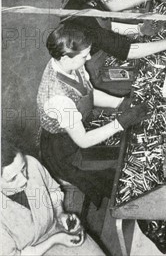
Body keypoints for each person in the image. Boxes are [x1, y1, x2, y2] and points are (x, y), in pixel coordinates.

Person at [37, 25, 151, 208]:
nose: (89, 58)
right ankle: (129, 204)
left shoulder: (69, 65)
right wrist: (120, 123)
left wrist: (119, 103)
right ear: (66, 57)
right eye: (84, 56)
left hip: (81, 122)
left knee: (125, 144)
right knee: (119, 166)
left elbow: (88, 93)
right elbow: (83, 140)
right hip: (66, 148)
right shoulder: (58, 98)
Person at [1, 135, 105, 255]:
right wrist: (55, 240)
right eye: (13, 178)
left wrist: (60, 213)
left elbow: (52, 189)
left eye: (23, 168)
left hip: (55, 230)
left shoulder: (31, 163)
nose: (24, 179)